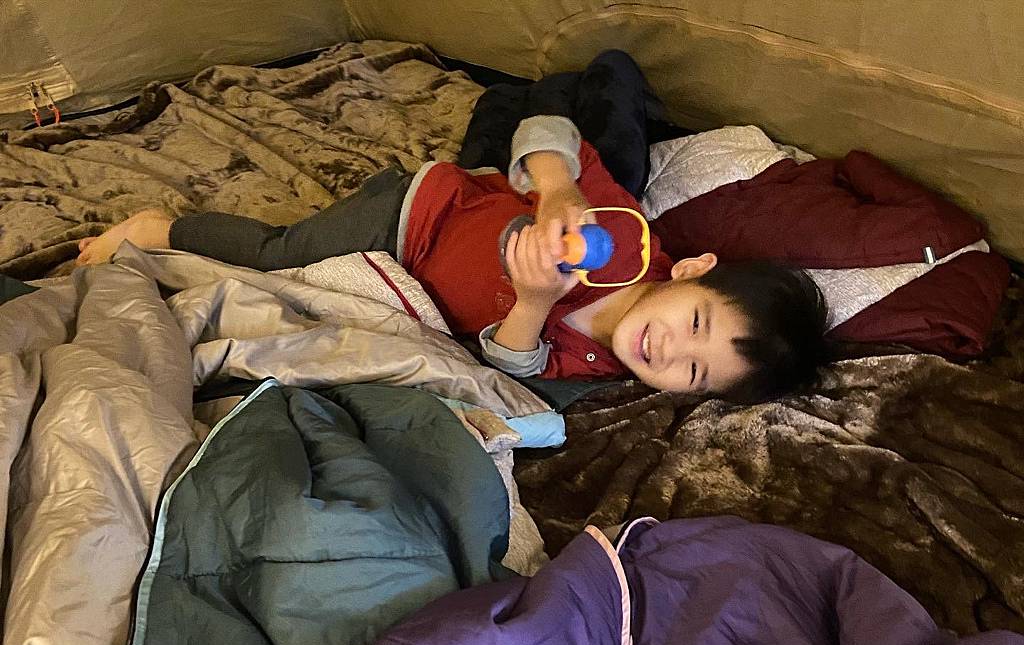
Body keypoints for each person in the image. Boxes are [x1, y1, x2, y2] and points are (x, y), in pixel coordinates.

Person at [77, 116, 829, 402]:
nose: (669, 350)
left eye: (693, 373)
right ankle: (161, 229)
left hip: (405, 288)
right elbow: (546, 127)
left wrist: (533, 304)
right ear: (692, 272)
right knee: (278, 253)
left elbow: (510, 369)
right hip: (417, 216)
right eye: (695, 323)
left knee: (286, 296)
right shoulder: (625, 236)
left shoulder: (600, 367)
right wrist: (557, 186)